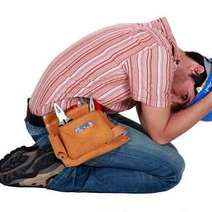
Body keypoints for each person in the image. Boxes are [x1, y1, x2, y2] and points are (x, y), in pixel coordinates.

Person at [0, 16, 211, 193]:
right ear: (196, 70)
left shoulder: (151, 39)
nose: (172, 100)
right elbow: (160, 133)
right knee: (170, 169)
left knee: (163, 153)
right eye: (184, 96)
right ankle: (59, 172)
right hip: (57, 128)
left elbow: (155, 132)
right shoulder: (156, 57)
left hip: (58, 116)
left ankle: (62, 157)